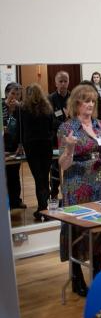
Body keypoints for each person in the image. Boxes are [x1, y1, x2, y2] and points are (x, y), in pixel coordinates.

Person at [57, 84, 101, 297]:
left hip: (100, 183)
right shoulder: (67, 128)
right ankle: (76, 277)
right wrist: (70, 147)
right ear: (76, 103)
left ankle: (98, 273)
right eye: (85, 101)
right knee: (78, 231)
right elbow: (63, 165)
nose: (90, 104)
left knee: (98, 228)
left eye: (92, 101)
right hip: (78, 183)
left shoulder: (100, 125)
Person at [20, 84, 54, 220]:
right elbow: (52, 127)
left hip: (32, 146)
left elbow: (22, 129)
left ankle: (42, 208)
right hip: (46, 145)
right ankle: (44, 206)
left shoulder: (24, 109)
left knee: (38, 178)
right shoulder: (47, 108)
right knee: (44, 177)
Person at [3, 83, 26, 209]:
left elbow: (23, 129)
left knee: (14, 175)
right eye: (12, 93)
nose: (15, 97)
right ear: (6, 93)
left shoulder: (20, 109)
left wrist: (21, 144)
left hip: (15, 146)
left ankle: (16, 201)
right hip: (3, 145)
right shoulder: (2, 106)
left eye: (18, 95)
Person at [49, 71, 70, 200]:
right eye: (60, 81)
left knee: (70, 165)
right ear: (56, 83)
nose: (63, 84)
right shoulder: (50, 99)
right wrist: (64, 124)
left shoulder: (73, 97)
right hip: (55, 138)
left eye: (65, 81)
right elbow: (50, 119)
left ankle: (68, 192)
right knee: (55, 167)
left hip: (72, 138)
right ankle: (54, 193)